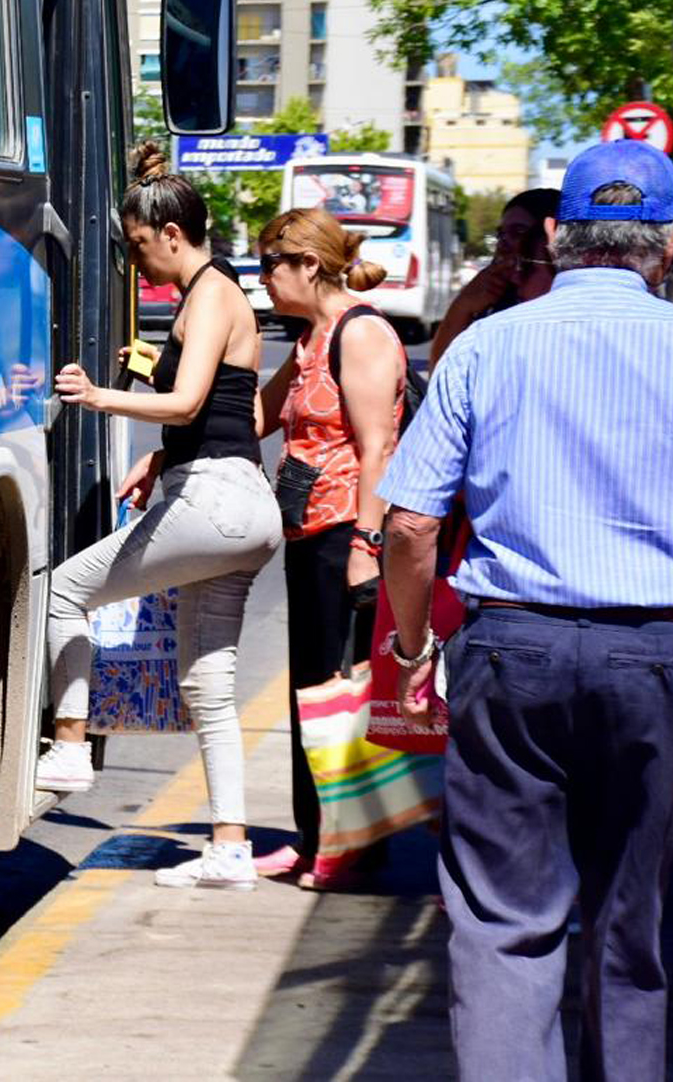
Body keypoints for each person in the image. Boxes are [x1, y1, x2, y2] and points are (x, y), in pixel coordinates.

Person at [381, 140, 673, 1081]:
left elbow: (407, 527)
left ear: (558, 235)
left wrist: (413, 640)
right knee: (641, 920)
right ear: (671, 241)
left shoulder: (488, 345)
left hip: (513, 651)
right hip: (667, 658)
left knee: (506, 923)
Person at [38, 142, 282, 891]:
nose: (139, 265)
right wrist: (159, 452)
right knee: (208, 683)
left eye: (141, 248)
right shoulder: (218, 290)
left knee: (65, 591)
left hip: (213, 500)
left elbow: (185, 403)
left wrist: (100, 395)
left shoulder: (208, 295)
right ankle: (230, 845)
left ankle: (72, 742)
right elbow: (217, 406)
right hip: (241, 508)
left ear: (173, 236)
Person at [251, 207, 405, 888]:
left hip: (346, 532)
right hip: (306, 533)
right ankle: (314, 836)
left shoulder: (361, 333)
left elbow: (379, 447)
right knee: (311, 691)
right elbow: (262, 415)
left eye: (270, 267)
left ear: (309, 265)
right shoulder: (310, 337)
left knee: (344, 694)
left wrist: (367, 545)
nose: (264, 282)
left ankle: (352, 844)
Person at [428, 188, 561, 366]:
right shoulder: (494, 306)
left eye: (518, 232)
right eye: (501, 234)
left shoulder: (571, 314)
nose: (504, 244)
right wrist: (463, 306)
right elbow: (442, 375)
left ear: (553, 237)